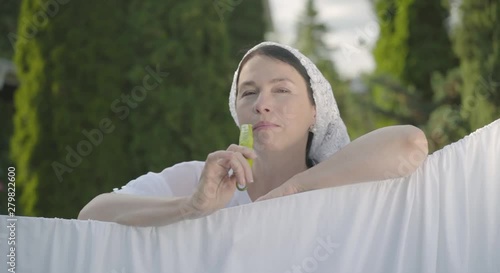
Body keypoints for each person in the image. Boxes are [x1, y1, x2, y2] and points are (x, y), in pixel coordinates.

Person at [78, 42, 428, 227]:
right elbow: (91, 214)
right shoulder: (201, 181)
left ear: (316, 111)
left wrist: (293, 190)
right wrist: (189, 207)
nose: (262, 104)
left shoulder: (342, 181)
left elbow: (410, 143)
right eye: (248, 93)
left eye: (281, 90)